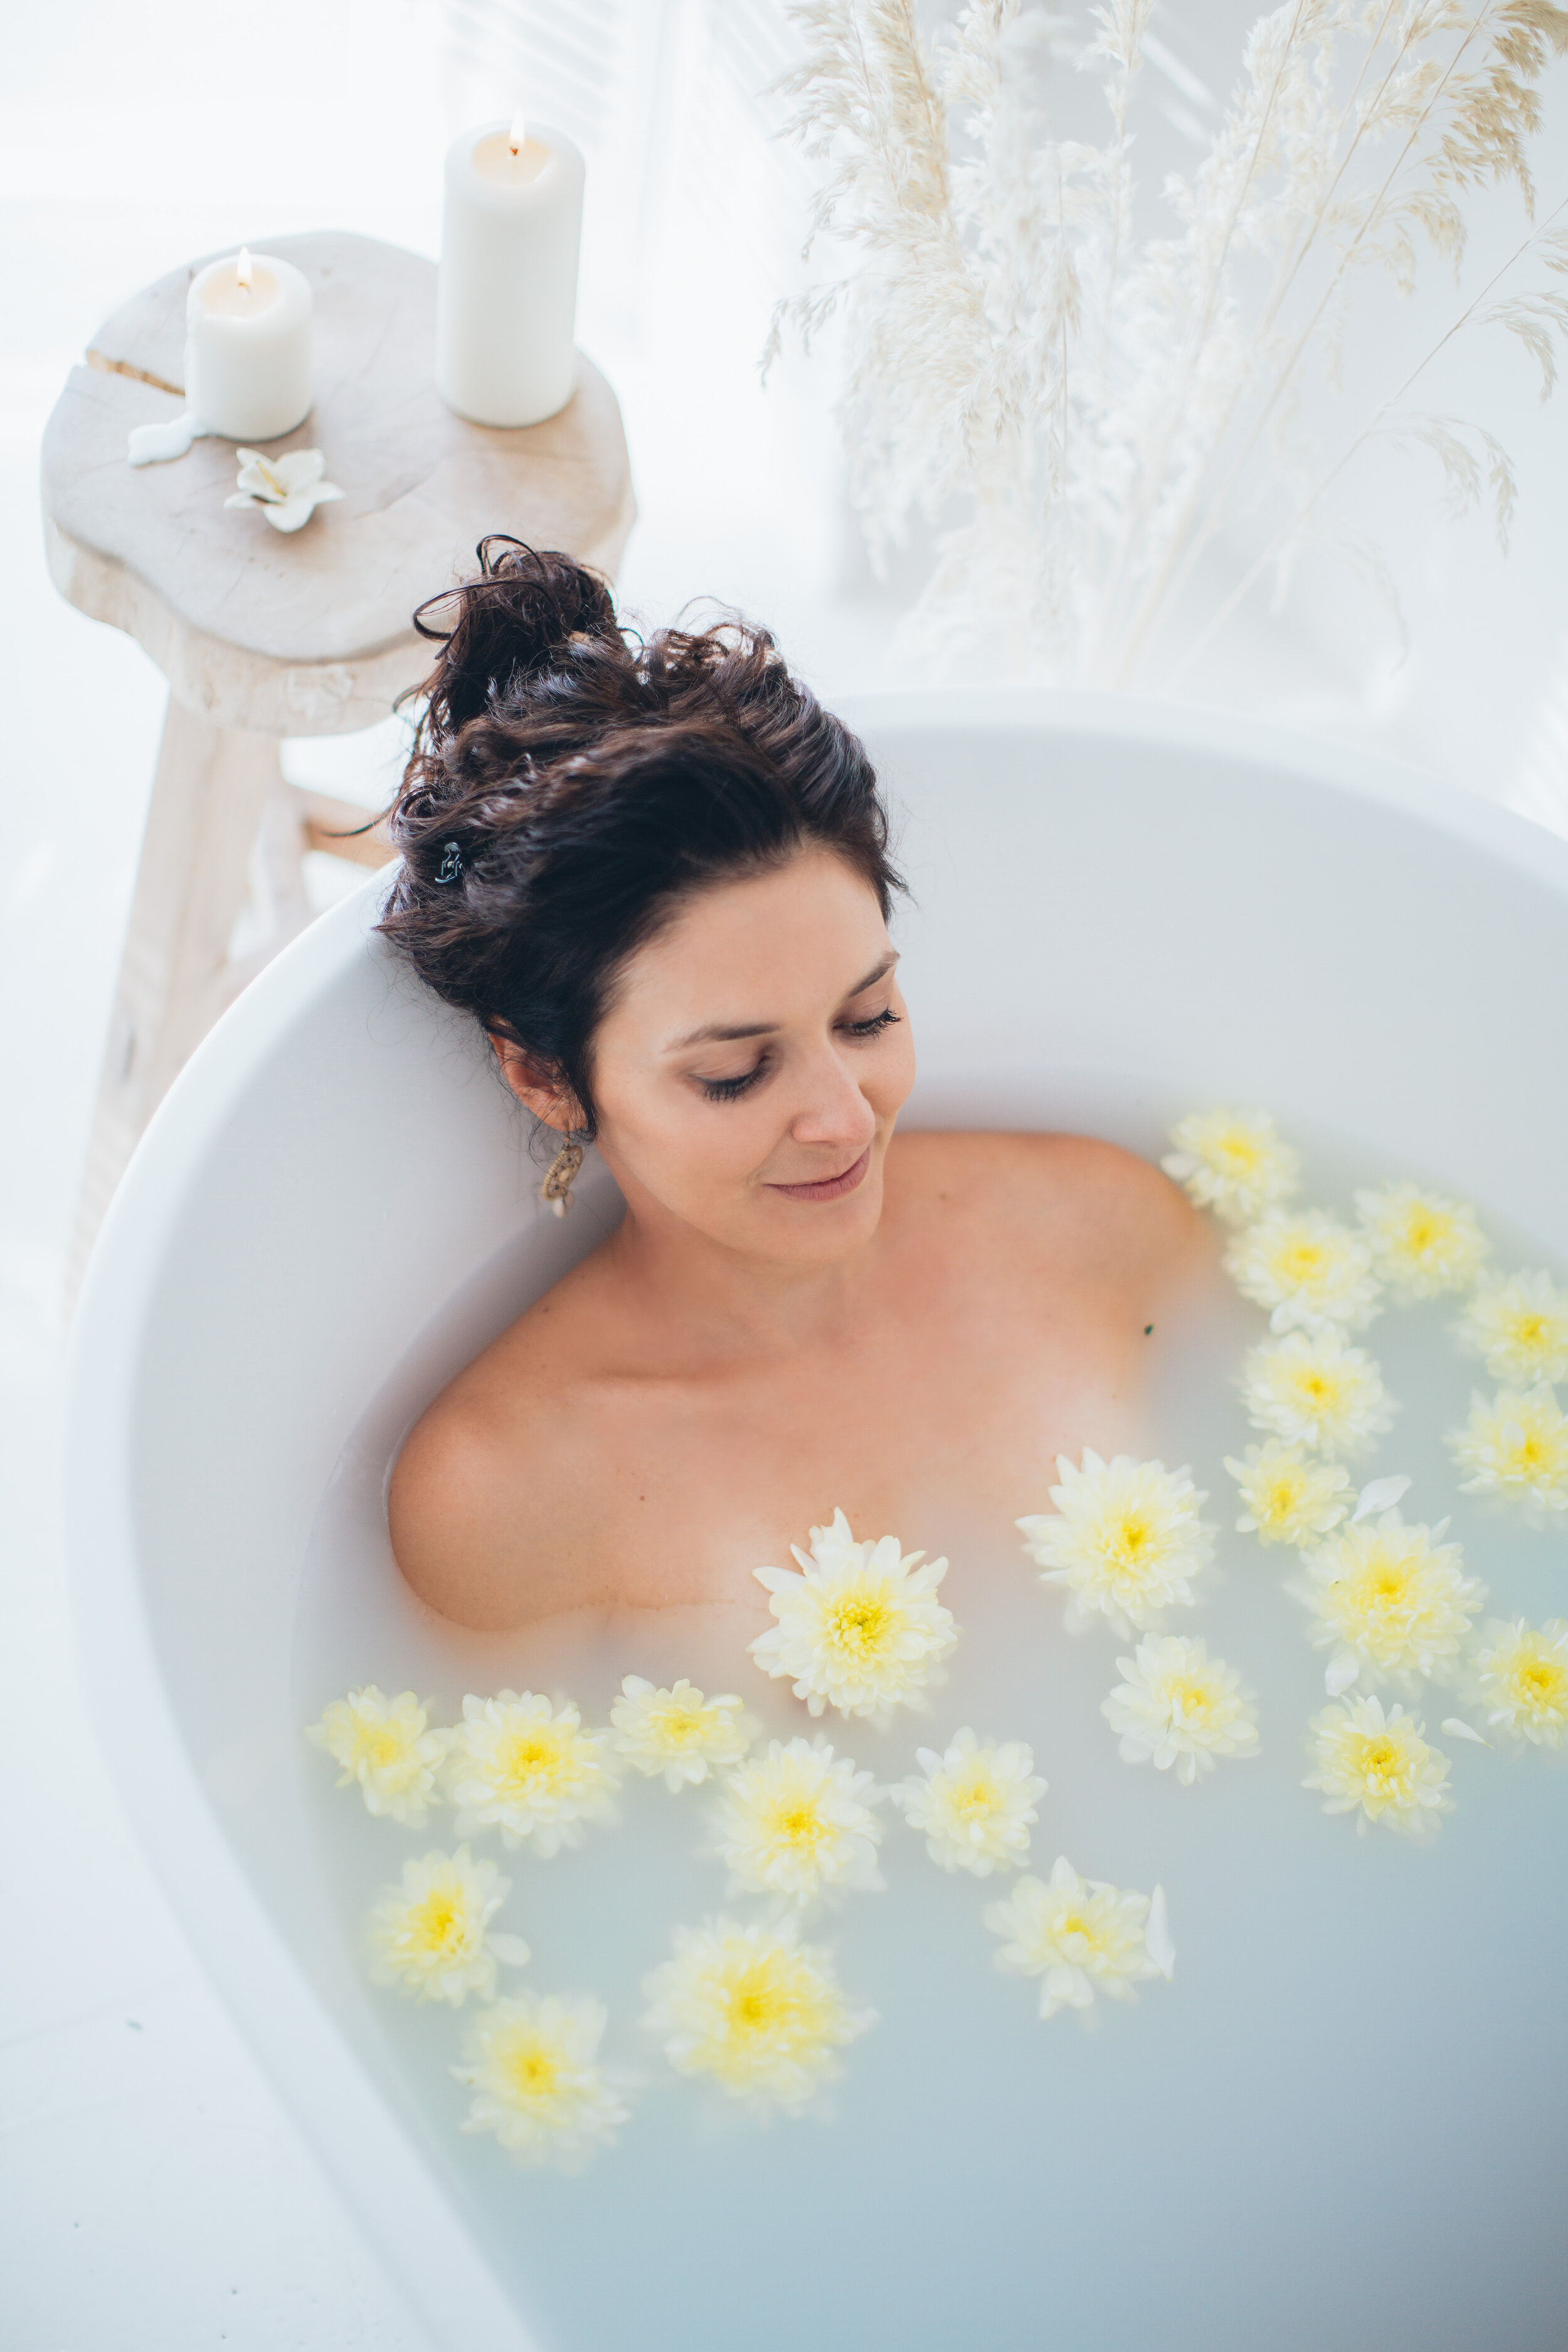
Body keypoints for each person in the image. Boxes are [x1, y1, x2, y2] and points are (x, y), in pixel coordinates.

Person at [380, 539, 1212, 1636]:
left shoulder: (1102, 1221)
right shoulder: (502, 1493)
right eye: (734, 1074)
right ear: (546, 1075)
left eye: (868, 1017)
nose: (843, 1118)